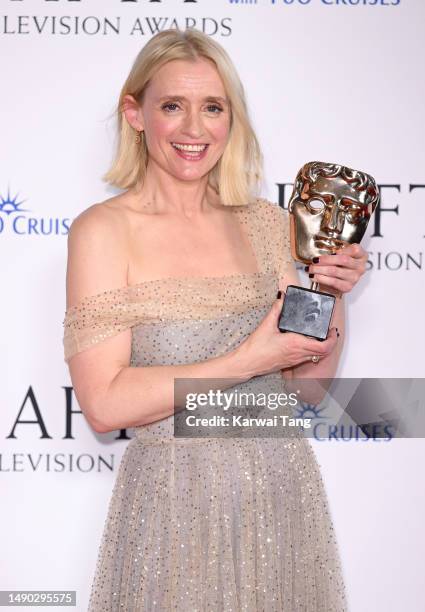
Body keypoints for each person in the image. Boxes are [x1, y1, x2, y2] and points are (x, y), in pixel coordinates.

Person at [63, 28, 367, 611]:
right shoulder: (104, 230)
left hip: (282, 493)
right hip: (172, 507)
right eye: (172, 106)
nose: (194, 130)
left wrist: (332, 289)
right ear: (136, 113)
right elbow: (104, 405)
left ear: (232, 117)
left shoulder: (268, 223)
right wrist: (246, 360)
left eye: (213, 107)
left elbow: (308, 389)